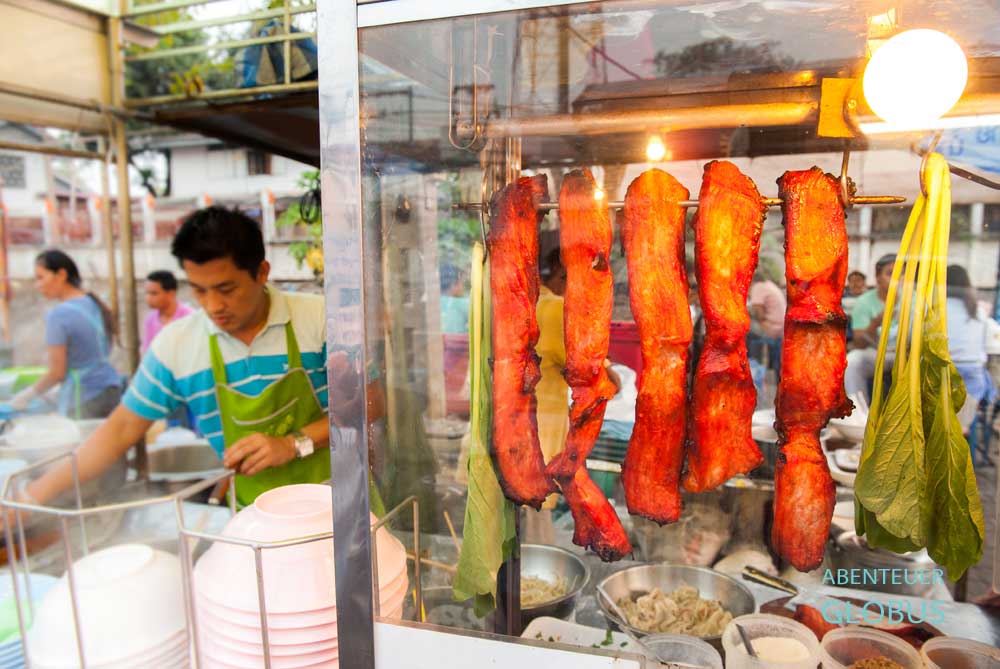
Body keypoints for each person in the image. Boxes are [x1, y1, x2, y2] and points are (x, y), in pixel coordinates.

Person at [18, 207, 335, 509]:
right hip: (255, 524)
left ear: (261, 272)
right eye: (199, 290)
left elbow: (374, 404)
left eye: (226, 289)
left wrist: (293, 443)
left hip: (344, 506)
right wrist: (31, 499)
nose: (213, 306)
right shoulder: (176, 346)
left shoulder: (321, 319)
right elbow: (120, 429)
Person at [10, 250, 122, 418]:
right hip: (111, 390)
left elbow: (57, 372)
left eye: (41, 277)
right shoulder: (92, 303)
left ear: (61, 275)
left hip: (85, 398)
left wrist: (27, 395)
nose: (37, 285)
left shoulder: (59, 315)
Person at [945, 265, 997, 433]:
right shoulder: (977, 311)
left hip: (941, 376)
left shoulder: (933, 308)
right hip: (971, 380)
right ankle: (960, 426)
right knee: (983, 377)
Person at [845, 254, 897, 400]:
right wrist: (876, 322)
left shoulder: (915, 300)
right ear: (878, 277)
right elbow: (859, 341)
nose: (897, 279)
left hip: (908, 354)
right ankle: (858, 410)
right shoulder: (863, 301)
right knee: (853, 361)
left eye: (902, 273)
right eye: (890, 273)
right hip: (876, 352)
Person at [142, 270, 194, 353]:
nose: (148, 298)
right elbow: (148, 352)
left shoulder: (189, 317)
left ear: (171, 294)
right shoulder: (150, 319)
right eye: (147, 293)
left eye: (154, 293)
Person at [748, 267, 786, 373]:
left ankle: (753, 366)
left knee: (740, 327)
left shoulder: (757, 287)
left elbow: (758, 313)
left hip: (772, 329)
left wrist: (749, 311)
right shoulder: (769, 284)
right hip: (781, 328)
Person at [438, 264, 470, 335]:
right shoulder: (459, 303)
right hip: (458, 344)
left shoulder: (436, 302)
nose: (463, 287)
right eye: (461, 282)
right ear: (453, 285)